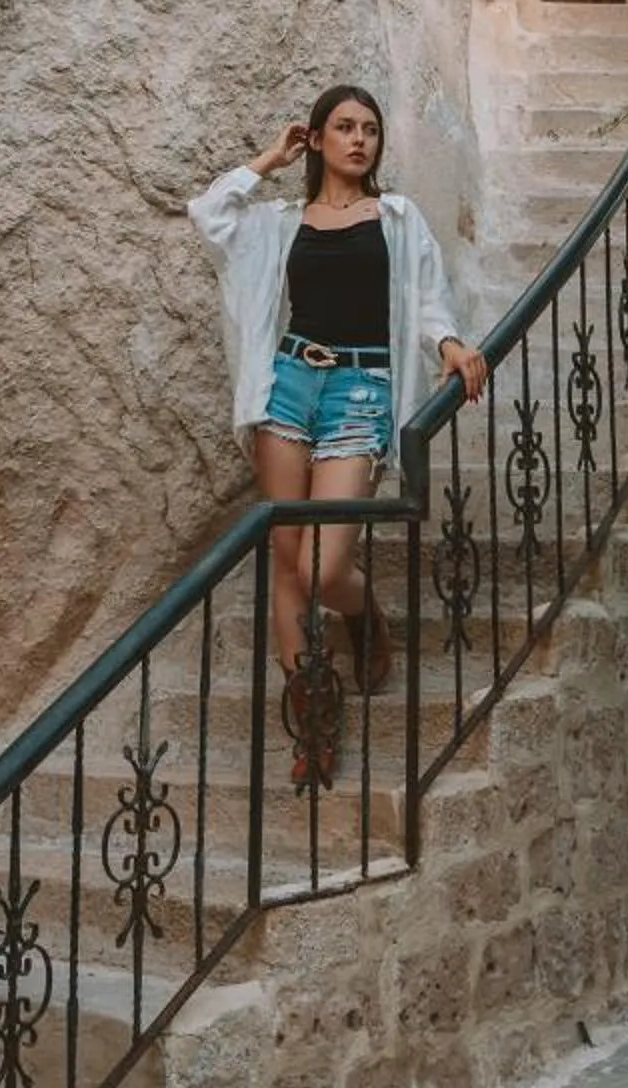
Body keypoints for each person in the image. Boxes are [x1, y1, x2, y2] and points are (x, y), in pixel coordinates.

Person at [189, 84, 489, 791]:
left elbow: (425, 297)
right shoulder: (281, 221)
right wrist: (268, 159)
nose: (359, 140)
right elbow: (208, 216)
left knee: (323, 571)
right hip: (288, 387)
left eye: (371, 130)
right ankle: (314, 714)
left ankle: (364, 612)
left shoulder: (396, 218)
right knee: (286, 563)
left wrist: (447, 342)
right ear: (317, 139)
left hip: (361, 390)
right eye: (344, 128)